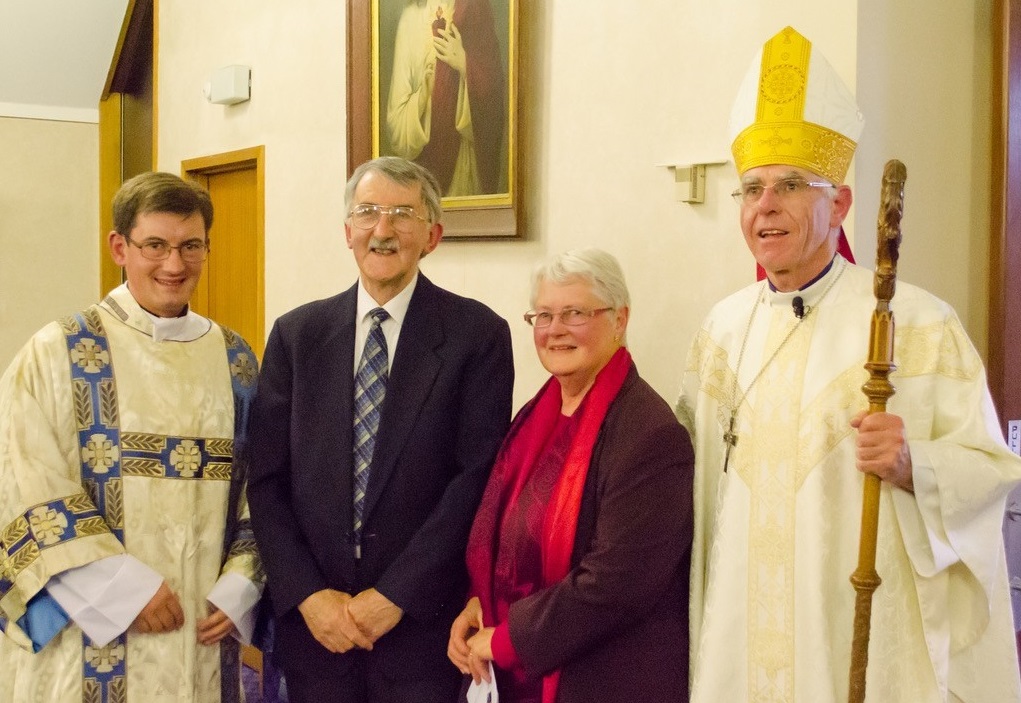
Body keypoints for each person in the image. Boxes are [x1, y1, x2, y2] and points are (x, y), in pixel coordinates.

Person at [676, 26, 1021, 702]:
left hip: (851, 641)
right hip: (737, 643)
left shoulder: (915, 324)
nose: (764, 206)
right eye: (750, 190)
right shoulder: (720, 332)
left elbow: (992, 471)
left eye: (787, 187)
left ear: (838, 205)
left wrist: (912, 463)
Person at [247, 155, 514, 703]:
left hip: (420, 630)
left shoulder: (477, 336)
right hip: (316, 630)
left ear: (432, 235)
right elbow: (267, 481)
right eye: (367, 212)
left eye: (402, 214)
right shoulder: (296, 336)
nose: (383, 229)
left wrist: (395, 595)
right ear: (348, 232)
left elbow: (475, 481)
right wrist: (308, 596)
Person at [0, 172, 263, 703]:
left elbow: (264, 484)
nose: (174, 265)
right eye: (155, 246)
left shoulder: (235, 360)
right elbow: (24, 482)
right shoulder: (59, 352)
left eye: (191, 246)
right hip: (91, 631)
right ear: (120, 246)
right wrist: (125, 591)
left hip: (201, 630)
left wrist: (239, 588)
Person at [448, 248, 694, 703]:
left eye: (575, 313)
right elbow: (506, 533)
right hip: (518, 668)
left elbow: (616, 584)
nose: (555, 330)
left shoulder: (649, 434)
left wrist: (506, 639)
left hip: (601, 678)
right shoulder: (535, 415)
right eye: (543, 315)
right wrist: (478, 601)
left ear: (620, 319)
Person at [386, 0, 505, 196]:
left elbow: (495, 103)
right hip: (423, 172)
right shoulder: (410, 20)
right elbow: (397, 123)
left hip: (464, 165)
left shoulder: (476, 11)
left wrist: (464, 63)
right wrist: (424, 94)